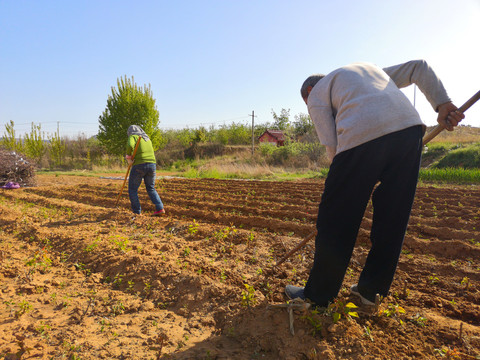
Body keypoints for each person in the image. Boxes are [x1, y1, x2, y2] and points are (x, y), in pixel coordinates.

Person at [285, 60, 464, 307]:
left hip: (362, 136)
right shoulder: (371, 72)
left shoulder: (316, 93)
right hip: (409, 131)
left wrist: (346, 187)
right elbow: (418, 67)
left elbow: (331, 145)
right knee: (393, 217)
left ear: (308, 93)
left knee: (335, 218)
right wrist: (442, 103)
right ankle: (371, 294)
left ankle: (318, 297)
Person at [125, 125, 165, 216]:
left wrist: (128, 157)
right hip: (152, 165)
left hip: (139, 165)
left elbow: (130, 145)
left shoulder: (133, 137)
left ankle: (136, 212)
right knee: (151, 188)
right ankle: (160, 208)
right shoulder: (147, 138)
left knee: (132, 189)